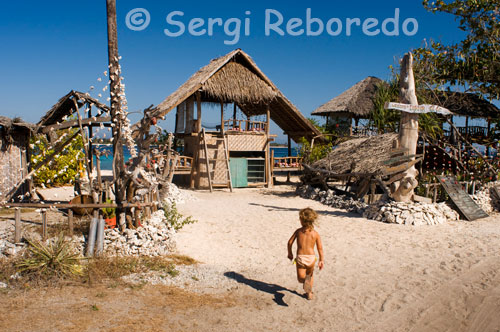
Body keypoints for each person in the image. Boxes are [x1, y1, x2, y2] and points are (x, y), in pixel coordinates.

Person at [287, 207, 324, 300]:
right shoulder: (315, 234)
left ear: (302, 220)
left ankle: (305, 281)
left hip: (301, 258)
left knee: (301, 278)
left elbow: (289, 242)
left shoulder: (298, 231)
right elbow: (320, 248)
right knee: (309, 275)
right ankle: (309, 294)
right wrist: (321, 260)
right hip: (311, 258)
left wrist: (290, 253)